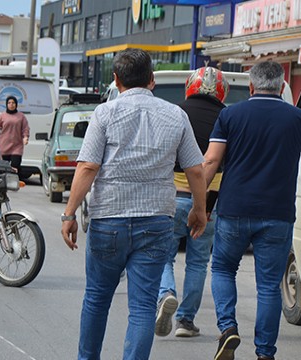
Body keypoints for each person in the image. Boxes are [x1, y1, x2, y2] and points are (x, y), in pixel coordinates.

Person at [60, 48, 208, 360]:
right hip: (155, 221)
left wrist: (69, 213)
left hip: (108, 220)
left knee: (97, 299)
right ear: (152, 80)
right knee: (142, 307)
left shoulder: (105, 113)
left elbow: (87, 168)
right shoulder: (175, 115)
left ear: (116, 79)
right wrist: (200, 210)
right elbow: (195, 168)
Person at [202, 60, 301, 360]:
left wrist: (199, 204)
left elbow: (210, 162)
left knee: (222, 268)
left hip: (234, 210)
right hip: (277, 214)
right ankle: (265, 353)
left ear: (250, 86)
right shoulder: (300, 119)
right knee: (269, 285)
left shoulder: (230, 115)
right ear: (283, 86)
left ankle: (227, 328)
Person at [155, 67, 228, 338]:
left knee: (164, 255)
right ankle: (185, 321)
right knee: (198, 263)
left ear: (190, 86)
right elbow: (223, 164)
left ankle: (166, 293)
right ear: (222, 90)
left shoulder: (174, 112)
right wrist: (208, 206)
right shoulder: (227, 116)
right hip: (209, 199)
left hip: (172, 196)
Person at [0, 96, 29, 176]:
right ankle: (3, 183)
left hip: (17, 146)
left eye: (13, 103)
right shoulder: (2, 116)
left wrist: (25, 137)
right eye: (9, 103)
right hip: (4, 145)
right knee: (3, 168)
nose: (11, 105)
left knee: (15, 166)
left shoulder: (21, 116)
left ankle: (13, 182)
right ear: (6, 104)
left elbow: (25, 128)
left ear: (16, 104)